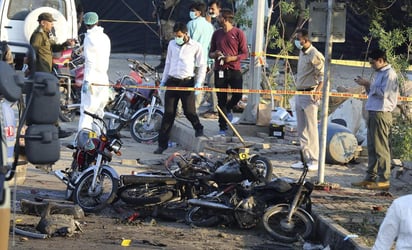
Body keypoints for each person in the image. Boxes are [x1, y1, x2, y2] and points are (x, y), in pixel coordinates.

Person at [154, 22, 206, 154]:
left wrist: (199, 83)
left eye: (179, 36)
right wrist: (163, 81)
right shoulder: (172, 44)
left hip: (186, 82)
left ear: (185, 34)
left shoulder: (196, 46)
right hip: (172, 80)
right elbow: (168, 63)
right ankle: (162, 144)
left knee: (189, 111)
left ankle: (198, 127)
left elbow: (201, 66)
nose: (177, 38)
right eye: (175, 36)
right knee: (168, 114)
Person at [351, 48, 398, 190]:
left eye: (373, 62)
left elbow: (384, 93)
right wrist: (366, 85)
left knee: (381, 148)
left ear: (381, 60)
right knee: (371, 147)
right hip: (373, 112)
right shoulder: (379, 73)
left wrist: (367, 84)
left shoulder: (389, 74)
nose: (371, 65)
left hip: (381, 113)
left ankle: (384, 179)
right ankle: (370, 177)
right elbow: (373, 92)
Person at [30, 12, 75, 138]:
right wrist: (32, 71)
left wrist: (65, 44)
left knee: (48, 102)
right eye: (50, 22)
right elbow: (32, 54)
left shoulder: (44, 35)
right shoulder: (37, 36)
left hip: (46, 73)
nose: (52, 24)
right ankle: (55, 128)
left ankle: (53, 128)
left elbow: (53, 48)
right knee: (51, 102)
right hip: (41, 75)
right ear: (43, 22)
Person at [208, 8, 248, 135]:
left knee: (237, 95)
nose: (217, 19)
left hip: (234, 69)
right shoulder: (216, 34)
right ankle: (222, 127)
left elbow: (245, 53)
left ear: (225, 19)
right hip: (220, 70)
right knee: (221, 99)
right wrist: (216, 54)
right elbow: (210, 53)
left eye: (219, 17)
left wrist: (232, 58)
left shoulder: (238, 33)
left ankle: (228, 109)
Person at [290, 28, 324, 172]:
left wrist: (319, 90)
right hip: (300, 92)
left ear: (305, 39)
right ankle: (305, 158)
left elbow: (323, 74)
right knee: (302, 129)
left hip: (310, 94)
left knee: (311, 129)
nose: (297, 41)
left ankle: (315, 160)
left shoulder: (314, 54)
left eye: (299, 38)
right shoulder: (302, 53)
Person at [78, 12, 111, 133]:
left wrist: (87, 81)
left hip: (93, 79)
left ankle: (81, 140)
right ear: (97, 22)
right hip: (103, 78)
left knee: (86, 111)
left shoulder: (90, 38)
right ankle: (99, 138)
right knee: (99, 112)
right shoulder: (105, 37)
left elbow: (90, 63)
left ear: (85, 24)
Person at [186, 1, 214, 112]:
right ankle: (195, 108)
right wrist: (210, 62)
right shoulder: (210, 27)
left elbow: (186, 43)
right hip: (203, 61)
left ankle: (185, 107)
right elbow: (211, 46)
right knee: (199, 84)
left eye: (193, 11)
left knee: (186, 84)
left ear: (199, 12)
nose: (191, 13)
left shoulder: (191, 24)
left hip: (191, 60)